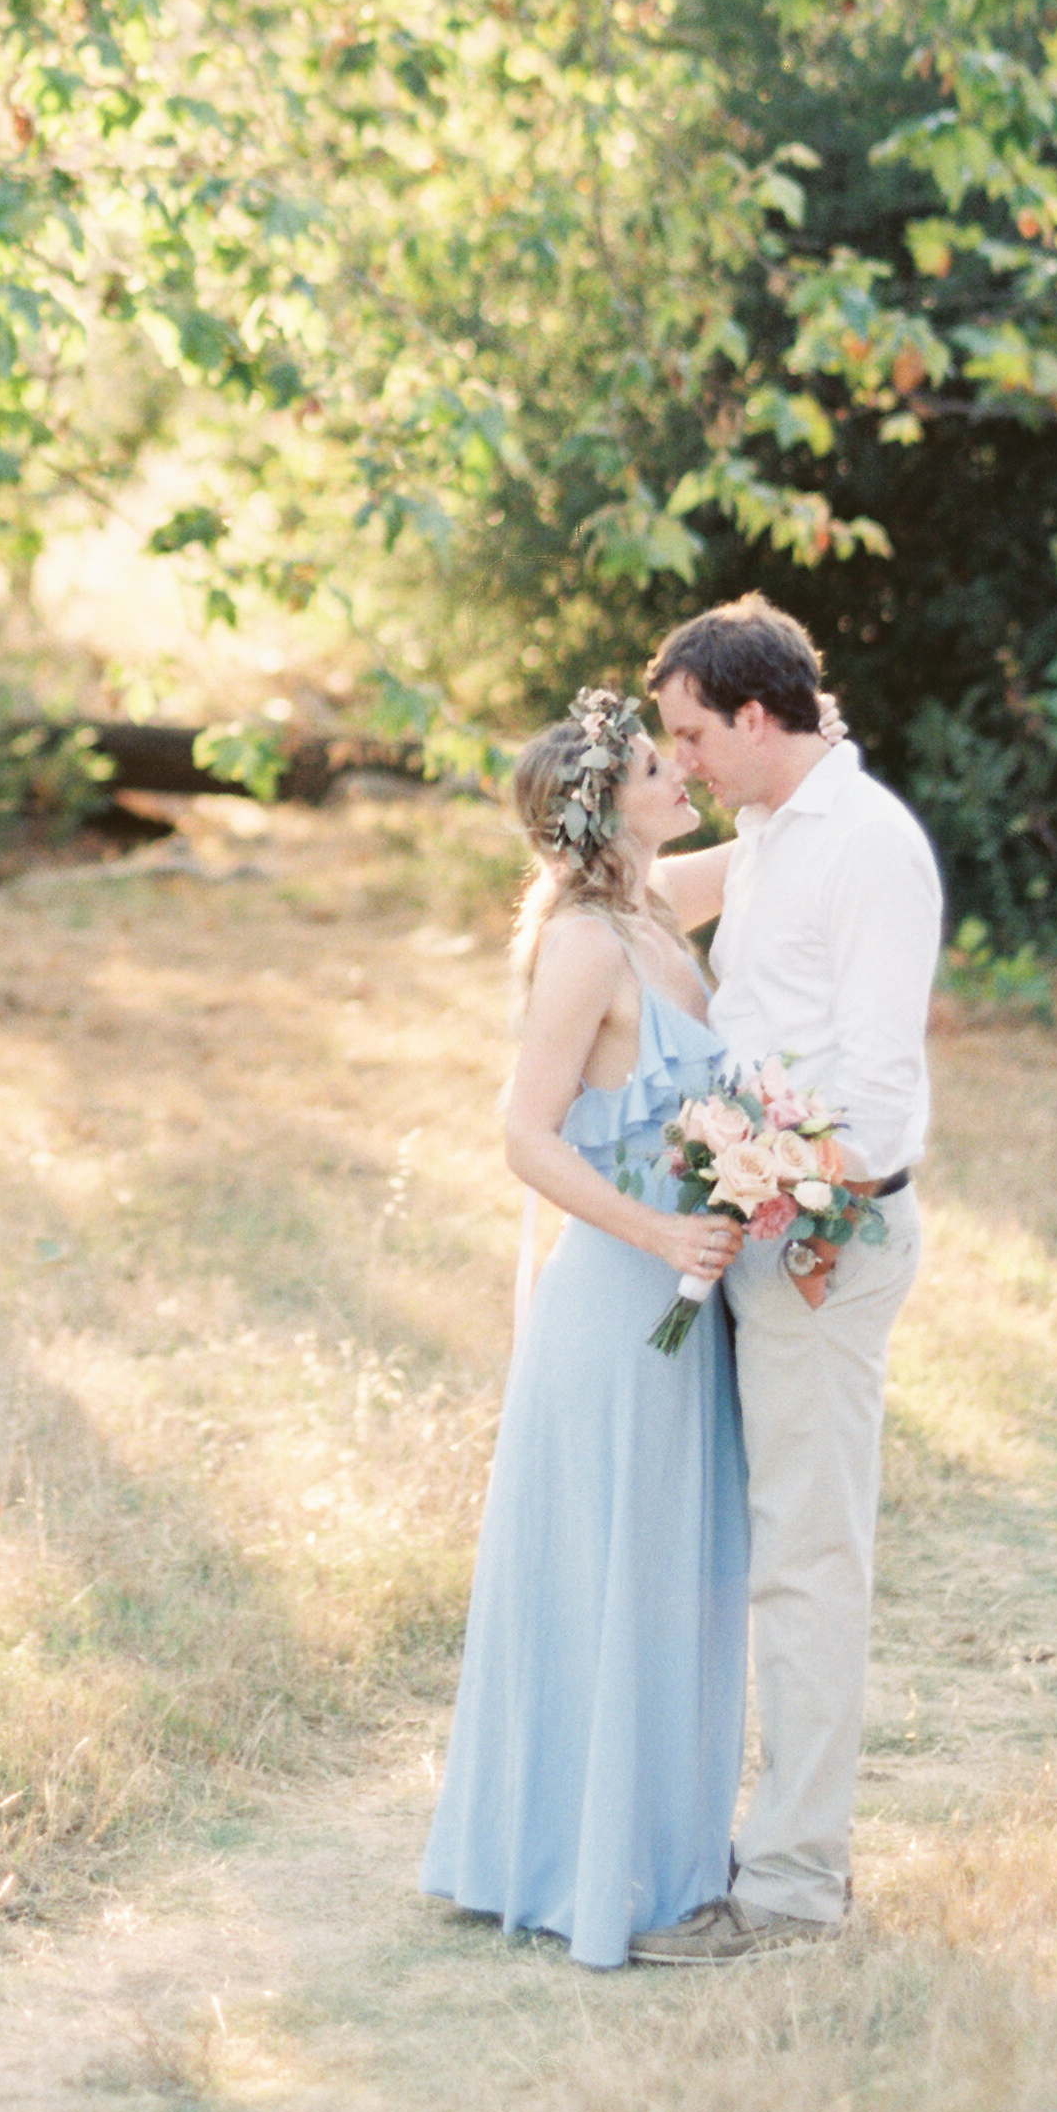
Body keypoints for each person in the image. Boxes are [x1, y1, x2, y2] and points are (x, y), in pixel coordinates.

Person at [418, 689, 756, 1969]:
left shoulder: (658, 908)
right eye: (663, 767)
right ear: (607, 804)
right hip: (622, 1299)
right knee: (607, 1571)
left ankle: (657, 1847)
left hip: (693, 1297)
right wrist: (662, 1234)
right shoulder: (584, 944)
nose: (687, 777)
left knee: (671, 1571)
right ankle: (570, 1860)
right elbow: (523, 1134)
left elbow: (784, 843)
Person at [629, 598, 937, 1960]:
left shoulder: (867, 846)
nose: (678, 757)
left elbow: (871, 1094)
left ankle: (796, 1889)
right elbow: (625, 888)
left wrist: (791, 1206)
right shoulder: (762, 834)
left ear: (756, 717)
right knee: (761, 1552)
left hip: (822, 1242)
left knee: (807, 1562)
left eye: (689, 732)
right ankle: (731, 1841)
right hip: (752, 1226)